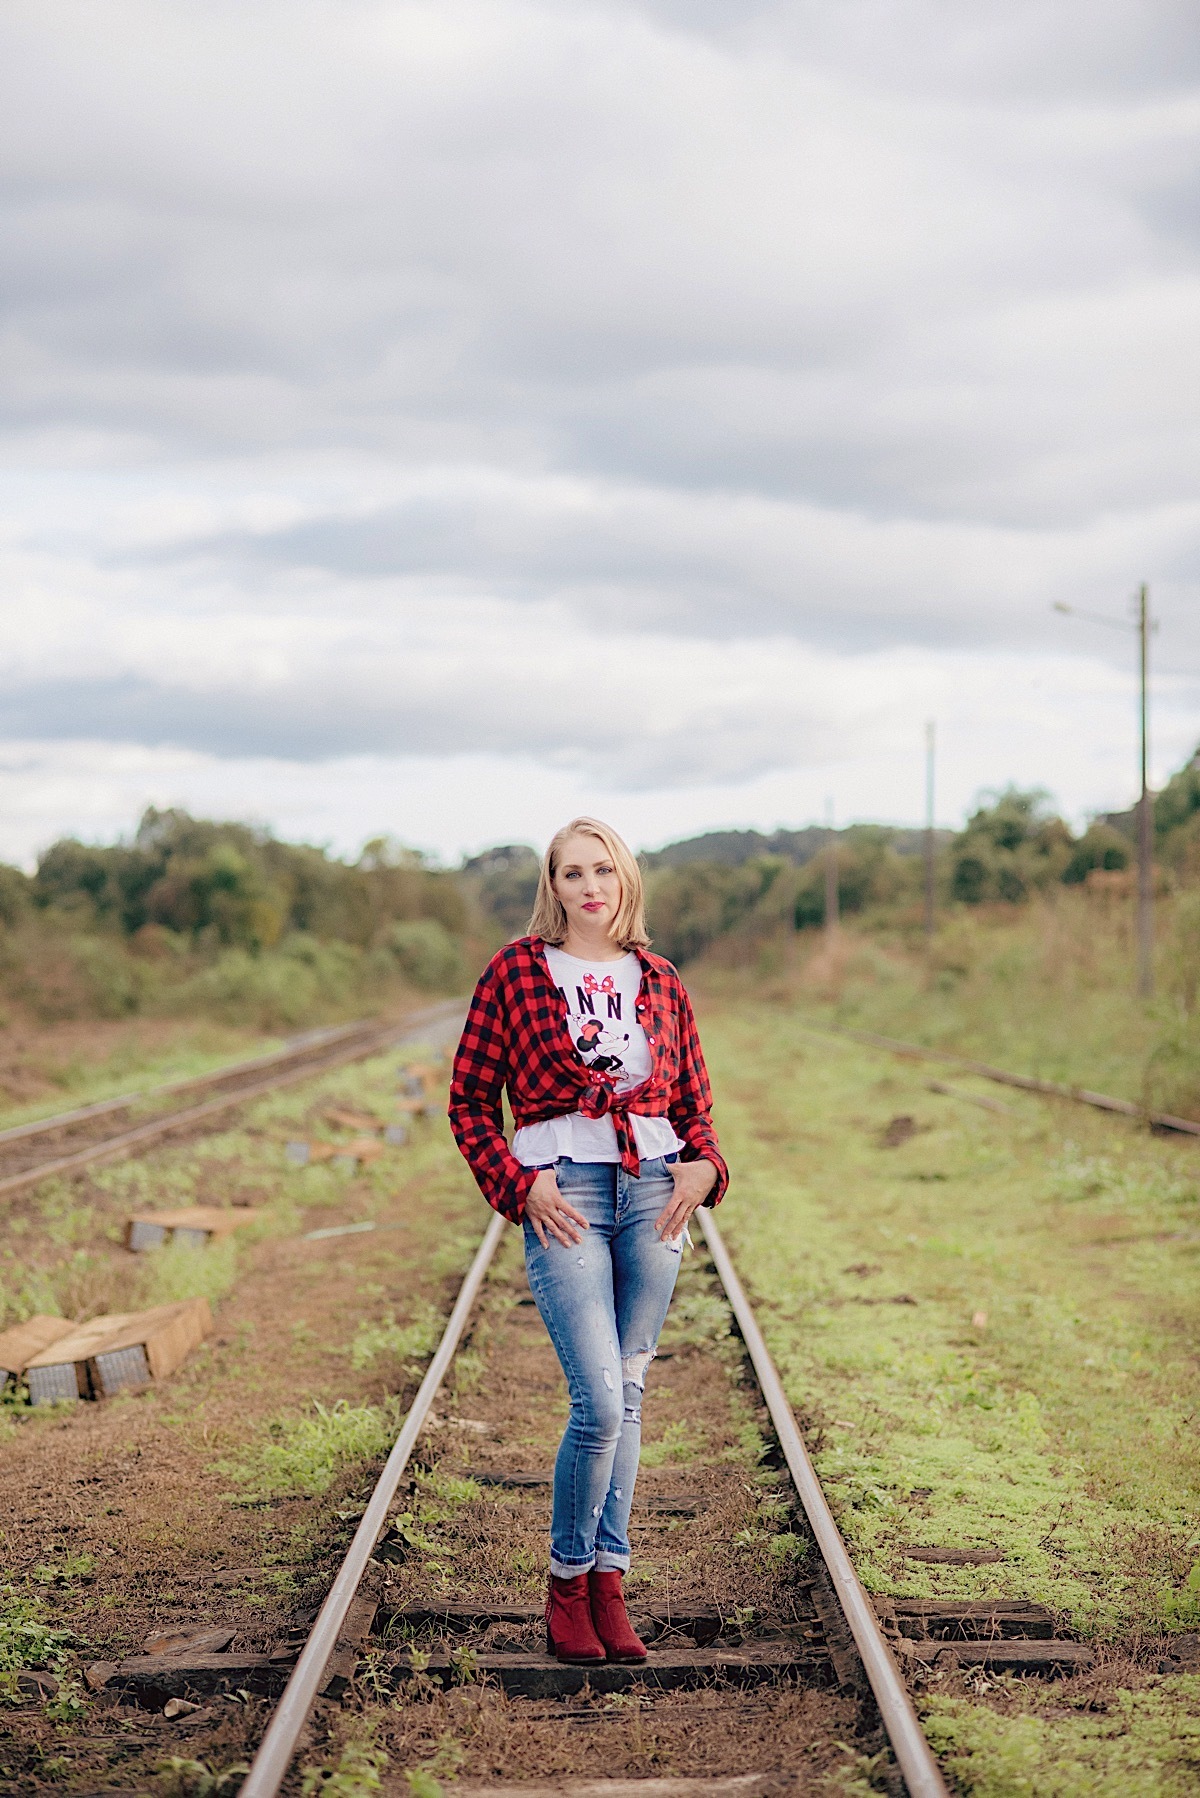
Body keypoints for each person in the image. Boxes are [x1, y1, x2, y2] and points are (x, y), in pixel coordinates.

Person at [449, 816, 728, 1664]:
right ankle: (568, 1581)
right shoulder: (516, 971)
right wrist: (518, 1182)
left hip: (652, 1194)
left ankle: (611, 1586)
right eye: (571, 874)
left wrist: (703, 1168)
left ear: (626, 880)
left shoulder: (661, 978)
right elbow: (468, 1103)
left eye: (602, 871)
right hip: (562, 1193)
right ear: (554, 887)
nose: (589, 887)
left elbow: (697, 1110)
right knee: (600, 1401)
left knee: (632, 1397)